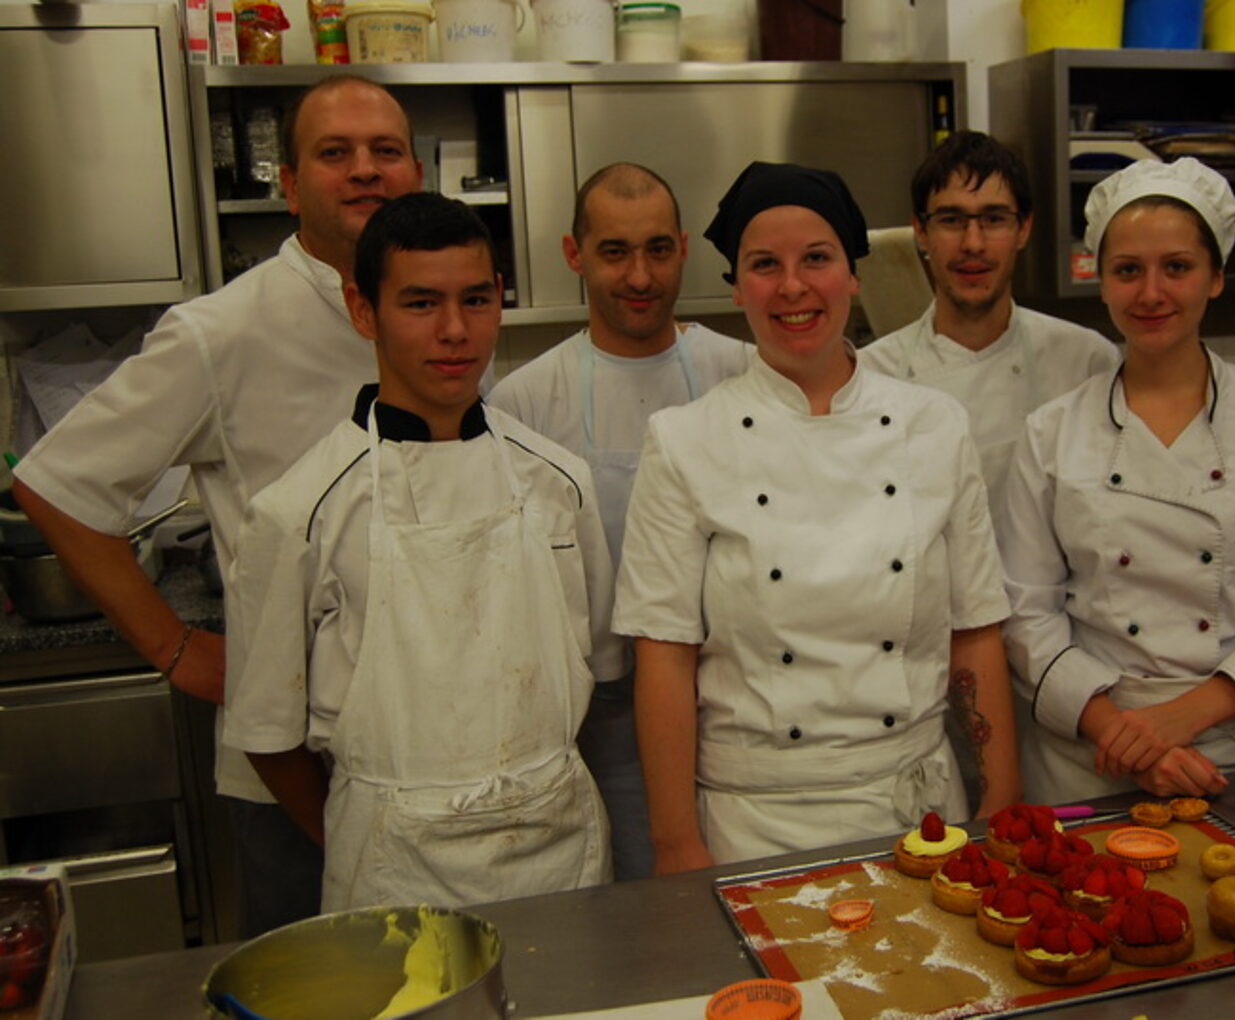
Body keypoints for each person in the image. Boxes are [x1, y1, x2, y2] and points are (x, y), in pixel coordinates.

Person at [11, 74, 423, 936]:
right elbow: (58, 485)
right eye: (334, 153)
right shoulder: (222, 330)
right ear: (290, 182)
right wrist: (175, 646)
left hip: (430, 739)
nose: (364, 171)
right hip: (297, 762)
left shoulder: (432, 314)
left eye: (385, 151)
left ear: (414, 172)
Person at [614, 162, 1020, 874]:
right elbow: (665, 660)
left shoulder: (935, 425)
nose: (793, 287)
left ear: (853, 275)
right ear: (738, 286)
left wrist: (1003, 795)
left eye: (817, 259)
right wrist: (676, 843)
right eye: (765, 265)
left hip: (920, 811)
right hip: (755, 820)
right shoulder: (683, 441)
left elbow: (977, 631)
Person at [224, 192, 619, 910]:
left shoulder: (558, 480)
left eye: (476, 299)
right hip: (392, 867)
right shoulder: (299, 512)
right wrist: (365, 828)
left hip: (558, 851)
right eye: (419, 304)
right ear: (363, 308)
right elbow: (267, 734)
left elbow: (594, 659)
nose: (455, 331)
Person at [998, 158, 1235, 803]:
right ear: (1102, 283)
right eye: (1128, 271)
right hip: (1089, 757)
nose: (1151, 294)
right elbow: (1027, 615)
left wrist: (1183, 717)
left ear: (1217, 277)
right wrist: (1121, 735)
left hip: (1234, 753)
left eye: (1177, 267)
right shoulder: (1051, 431)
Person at [488, 162, 749, 880]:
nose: (640, 276)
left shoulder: (739, 370)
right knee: (650, 901)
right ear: (575, 255)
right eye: (615, 253)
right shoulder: (525, 401)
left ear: (684, 249)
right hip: (602, 714)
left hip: (737, 692)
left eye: (658, 250)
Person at [858, 130, 1118, 510]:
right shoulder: (872, 375)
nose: (973, 244)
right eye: (951, 219)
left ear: (1023, 229)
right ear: (921, 231)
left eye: (994, 219)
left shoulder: (1086, 361)